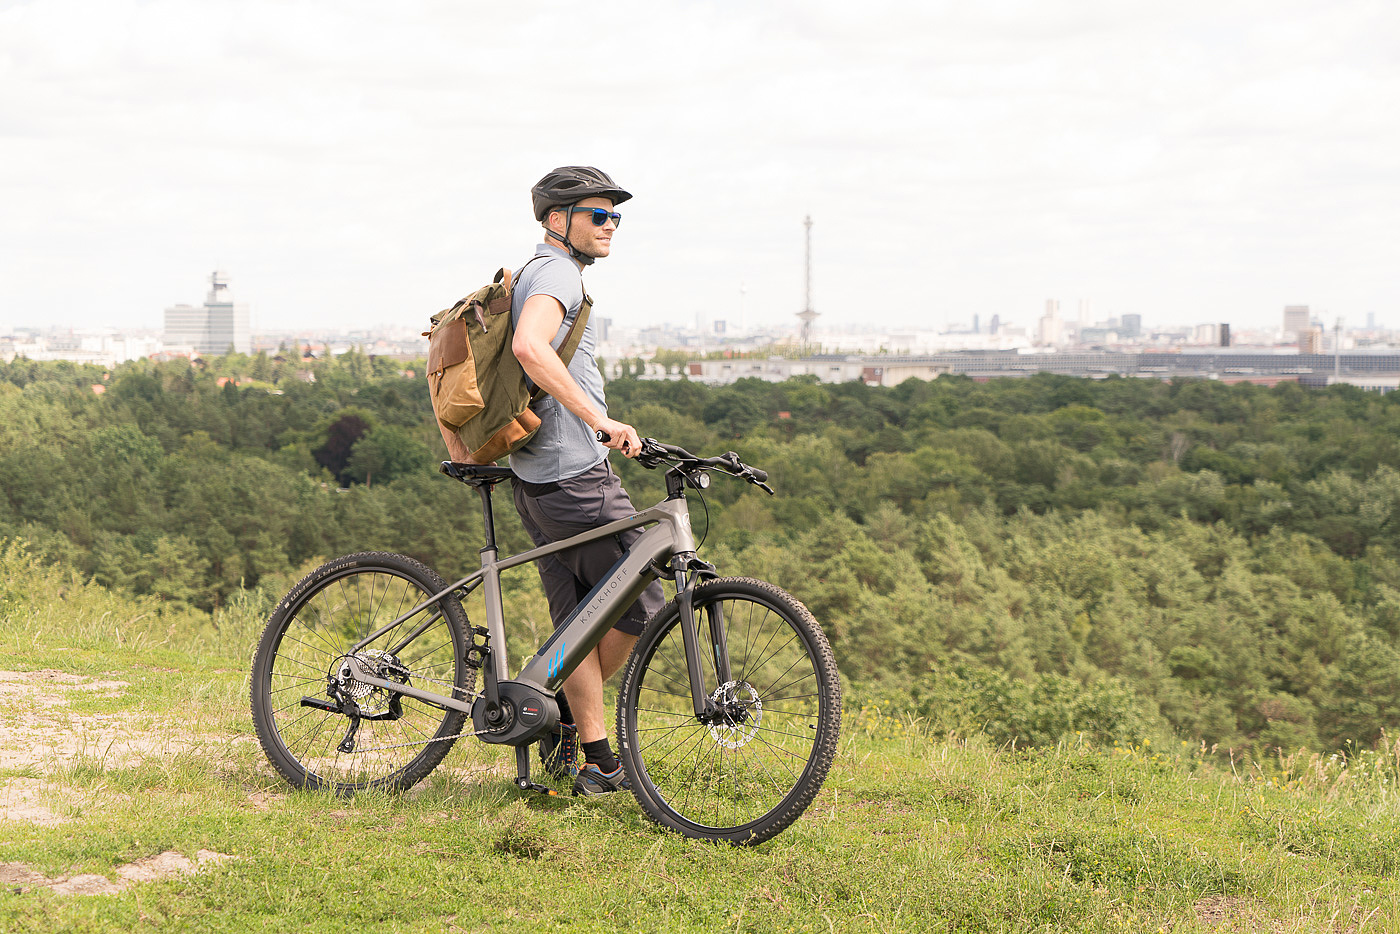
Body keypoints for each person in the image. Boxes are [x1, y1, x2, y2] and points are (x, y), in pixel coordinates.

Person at [439, 166, 663, 796]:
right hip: (572, 477)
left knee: (578, 623)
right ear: (557, 220)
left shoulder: (538, 272)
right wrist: (600, 419)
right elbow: (532, 350)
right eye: (600, 214)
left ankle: (590, 754)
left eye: (616, 215)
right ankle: (571, 725)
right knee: (640, 603)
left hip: (538, 478)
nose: (611, 225)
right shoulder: (558, 274)